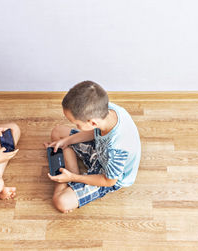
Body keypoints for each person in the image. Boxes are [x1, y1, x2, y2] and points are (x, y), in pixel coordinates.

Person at [45, 80, 141, 213]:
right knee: (58, 132)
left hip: (107, 175)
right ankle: (72, 174)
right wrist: (68, 140)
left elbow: (109, 181)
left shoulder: (118, 148)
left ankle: (66, 179)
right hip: (100, 150)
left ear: (93, 122)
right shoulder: (108, 110)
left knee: (61, 202)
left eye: (77, 124)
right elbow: (94, 132)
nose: (76, 127)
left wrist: (72, 178)